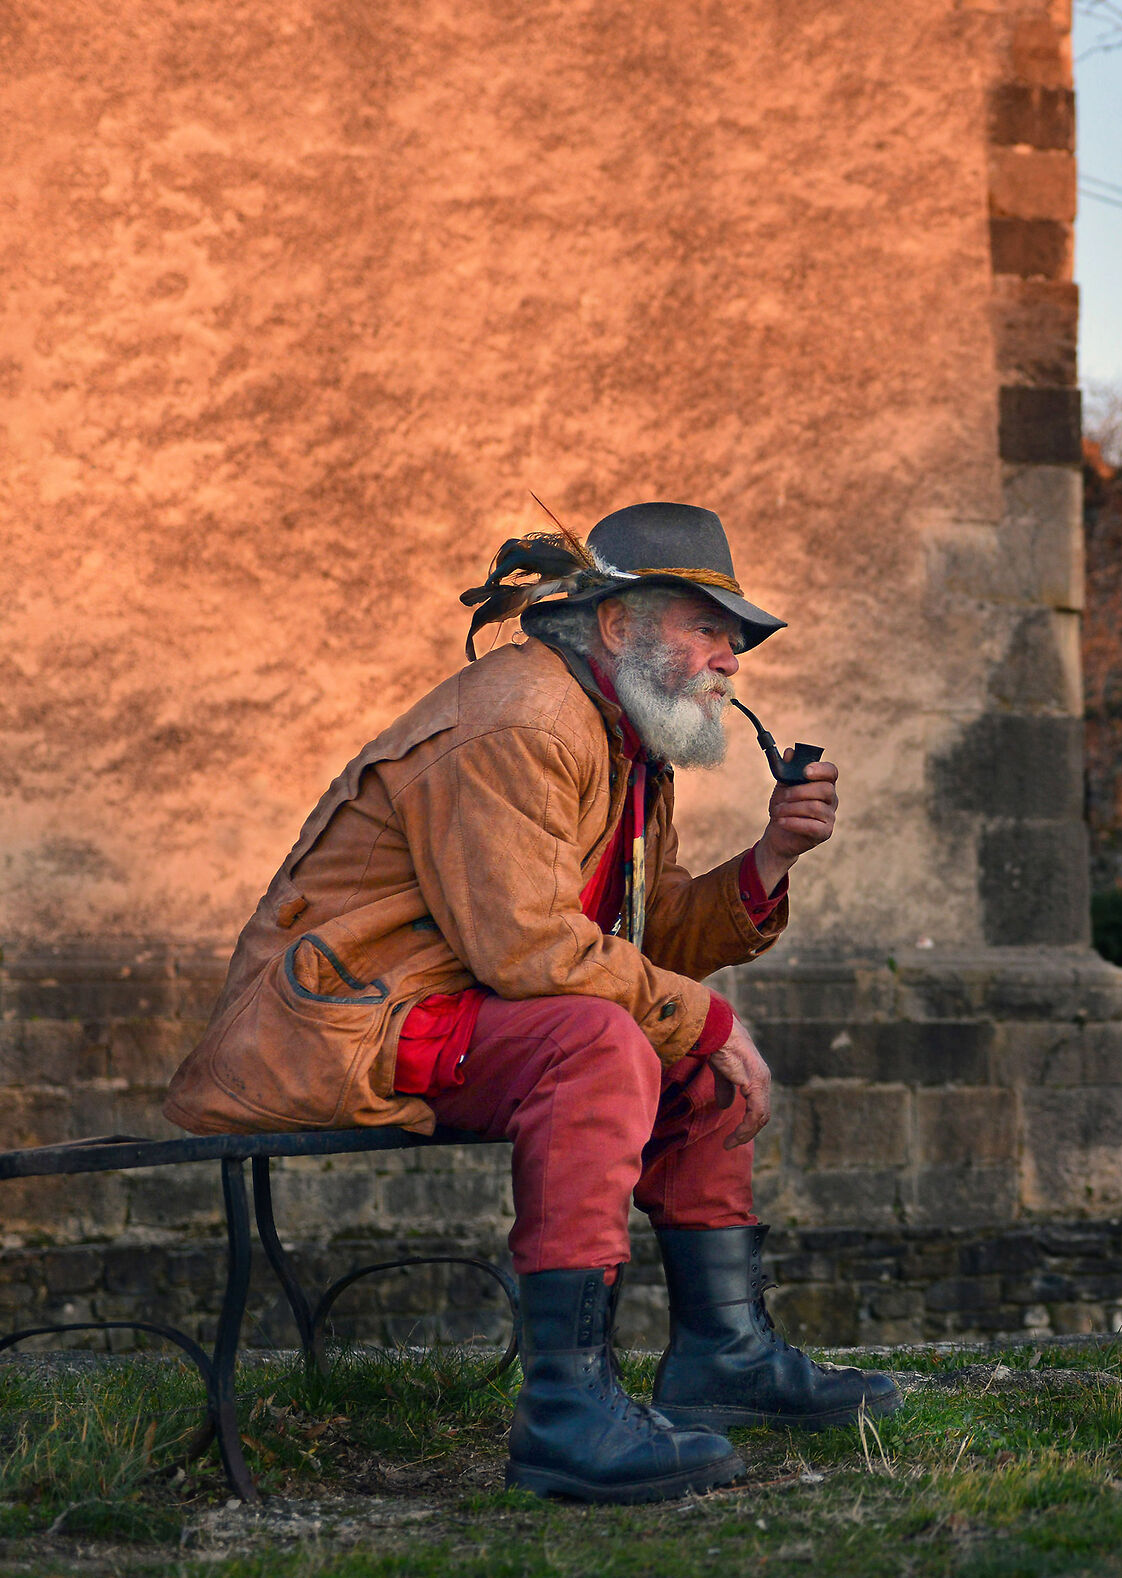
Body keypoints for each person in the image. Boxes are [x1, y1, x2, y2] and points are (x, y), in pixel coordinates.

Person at [164, 501, 900, 1504]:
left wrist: (771, 859)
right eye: (707, 627)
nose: (732, 657)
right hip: (344, 1025)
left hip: (465, 1011)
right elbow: (532, 951)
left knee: (673, 1044)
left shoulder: (629, 742)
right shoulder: (521, 717)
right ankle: (566, 1416)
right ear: (615, 624)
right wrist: (705, 1019)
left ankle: (724, 1358)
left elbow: (648, 941)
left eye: (737, 639)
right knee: (605, 1039)